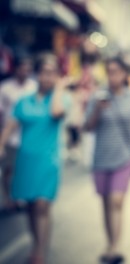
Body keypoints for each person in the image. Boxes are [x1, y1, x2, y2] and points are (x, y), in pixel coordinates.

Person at [0, 54, 71, 264]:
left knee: (42, 205)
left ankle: (40, 251)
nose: (47, 78)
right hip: (26, 160)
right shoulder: (25, 100)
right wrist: (1, 145)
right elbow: (11, 125)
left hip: (48, 160)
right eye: (44, 73)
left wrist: (59, 88)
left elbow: (57, 113)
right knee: (31, 206)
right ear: (37, 74)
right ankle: (35, 244)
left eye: (52, 73)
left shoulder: (61, 98)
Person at [85, 57, 130, 263]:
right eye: (109, 71)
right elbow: (87, 127)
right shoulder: (98, 97)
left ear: (124, 74)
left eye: (116, 71)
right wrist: (97, 109)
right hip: (101, 156)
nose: (113, 76)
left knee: (116, 200)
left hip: (125, 156)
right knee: (105, 202)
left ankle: (116, 246)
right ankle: (109, 241)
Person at [0, 55, 36, 209]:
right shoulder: (5, 88)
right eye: (23, 68)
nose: (25, 72)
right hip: (11, 137)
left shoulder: (34, 87)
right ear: (16, 69)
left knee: (26, 169)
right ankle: (9, 198)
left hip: (30, 137)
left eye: (28, 69)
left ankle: (23, 196)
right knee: (10, 169)